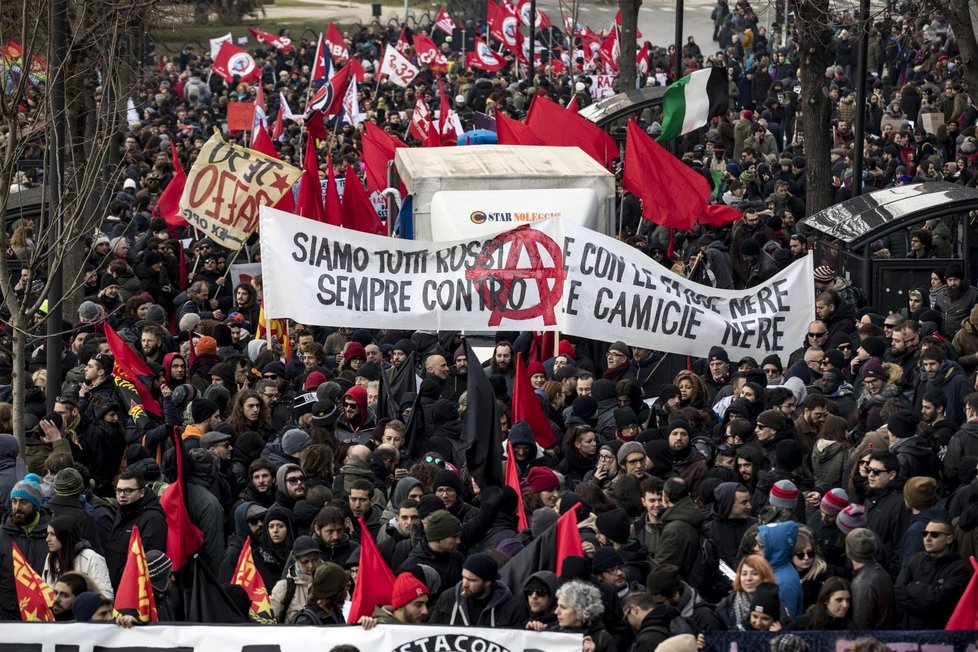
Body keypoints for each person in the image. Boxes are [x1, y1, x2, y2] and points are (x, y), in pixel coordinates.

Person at [894, 518, 973, 629]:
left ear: (949, 539)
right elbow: (898, 590)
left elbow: (941, 601)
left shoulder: (960, 569)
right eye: (925, 533)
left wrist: (912, 587)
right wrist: (923, 604)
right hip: (909, 631)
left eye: (934, 534)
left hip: (939, 636)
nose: (928, 538)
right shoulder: (915, 560)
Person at [428, 552, 523, 627]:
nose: (464, 584)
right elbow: (432, 631)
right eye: (464, 577)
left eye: (471, 580)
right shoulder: (448, 598)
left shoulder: (511, 607)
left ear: (487, 582)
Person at [42, 516, 113, 598]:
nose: (47, 539)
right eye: (48, 534)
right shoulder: (51, 557)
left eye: (53, 534)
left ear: (65, 536)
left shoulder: (92, 558)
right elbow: (45, 590)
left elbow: (106, 596)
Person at [846, 528, 893, 629]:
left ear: (848, 551)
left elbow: (861, 625)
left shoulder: (862, 584)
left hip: (871, 641)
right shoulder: (880, 571)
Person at [551, 580, 616, 652]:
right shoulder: (553, 631)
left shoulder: (602, 639)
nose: (556, 612)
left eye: (563, 607)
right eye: (557, 606)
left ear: (580, 612)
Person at [789, 577, 853, 630]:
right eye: (839, 600)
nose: (845, 605)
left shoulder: (850, 626)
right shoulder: (804, 623)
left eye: (848, 600)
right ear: (825, 600)